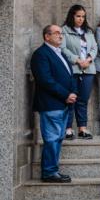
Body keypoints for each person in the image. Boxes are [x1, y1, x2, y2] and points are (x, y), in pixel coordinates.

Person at [31, 25, 76, 183]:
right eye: (56, 33)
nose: (60, 36)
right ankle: (49, 172)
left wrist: (73, 92)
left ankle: (52, 170)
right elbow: (45, 80)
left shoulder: (60, 53)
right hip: (50, 104)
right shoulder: (41, 54)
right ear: (46, 37)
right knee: (52, 139)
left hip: (63, 104)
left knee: (57, 138)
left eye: (61, 33)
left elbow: (70, 76)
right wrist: (66, 94)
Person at [61, 4, 97, 140]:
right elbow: (63, 48)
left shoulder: (88, 31)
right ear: (72, 16)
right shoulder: (64, 30)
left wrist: (89, 59)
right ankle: (68, 129)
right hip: (73, 69)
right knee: (71, 99)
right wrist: (77, 60)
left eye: (83, 16)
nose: (81, 19)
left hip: (88, 69)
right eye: (78, 16)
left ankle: (82, 128)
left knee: (83, 100)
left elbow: (94, 47)